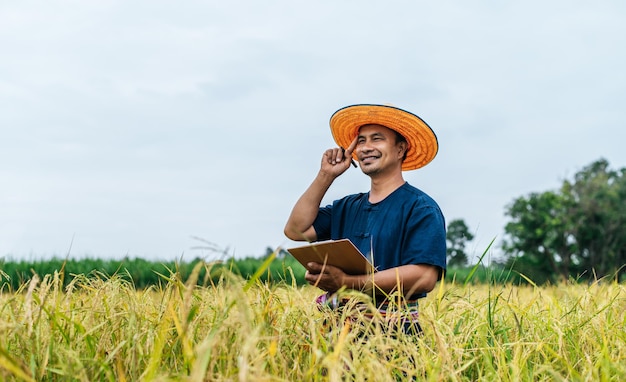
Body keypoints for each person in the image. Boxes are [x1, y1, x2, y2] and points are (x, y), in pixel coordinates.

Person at [284, 104, 446, 335]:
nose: (366, 147)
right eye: (361, 141)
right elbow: (295, 230)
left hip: (394, 336)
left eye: (376, 139)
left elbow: (425, 277)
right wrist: (326, 175)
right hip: (339, 334)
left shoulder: (420, 207)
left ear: (400, 150)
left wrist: (347, 282)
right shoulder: (346, 207)